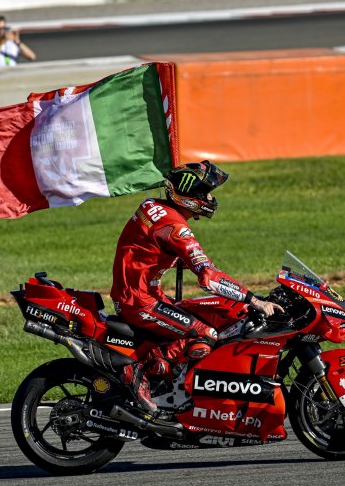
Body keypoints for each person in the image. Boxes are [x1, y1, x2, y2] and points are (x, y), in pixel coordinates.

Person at [110, 161, 284, 416]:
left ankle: (172, 383)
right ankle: (140, 371)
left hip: (143, 293)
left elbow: (148, 247)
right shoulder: (175, 228)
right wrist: (255, 300)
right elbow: (209, 278)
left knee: (211, 315)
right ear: (190, 197)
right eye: (206, 193)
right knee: (206, 334)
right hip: (140, 301)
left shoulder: (153, 206)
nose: (211, 199)